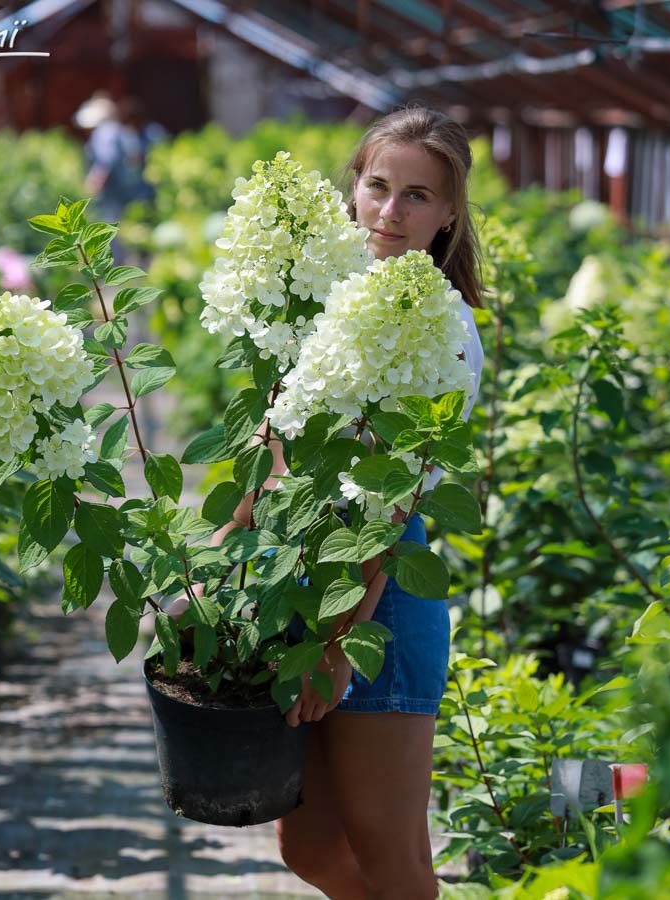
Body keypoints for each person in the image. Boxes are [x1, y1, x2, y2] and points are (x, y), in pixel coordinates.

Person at [170, 105, 486, 899]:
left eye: (417, 195)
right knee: (307, 848)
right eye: (378, 186)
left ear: (450, 214)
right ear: (354, 185)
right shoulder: (331, 293)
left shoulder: (443, 326)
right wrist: (214, 569)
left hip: (377, 597)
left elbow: (389, 506)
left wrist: (339, 644)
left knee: (394, 860)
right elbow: (274, 445)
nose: (390, 211)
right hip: (299, 578)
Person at [83, 95, 166, 228]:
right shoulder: (122, 134)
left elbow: (105, 164)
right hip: (127, 194)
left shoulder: (106, 134)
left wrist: (91, 188)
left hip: (121, 196)